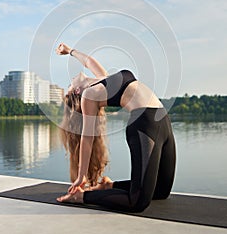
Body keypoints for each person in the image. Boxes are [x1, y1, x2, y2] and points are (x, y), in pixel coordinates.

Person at [56, 43, 176, 212]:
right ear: (76, 91)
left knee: (162, 191)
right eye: (69, 84)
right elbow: (87, 138)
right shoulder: (89, 96)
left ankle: (108, 185)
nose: (71, 79)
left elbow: (89, 62)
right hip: (144, 124)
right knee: (137, 202)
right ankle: (81, 197)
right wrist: (81, 175)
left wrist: (70, 51)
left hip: (162, 119)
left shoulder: (102, 79)